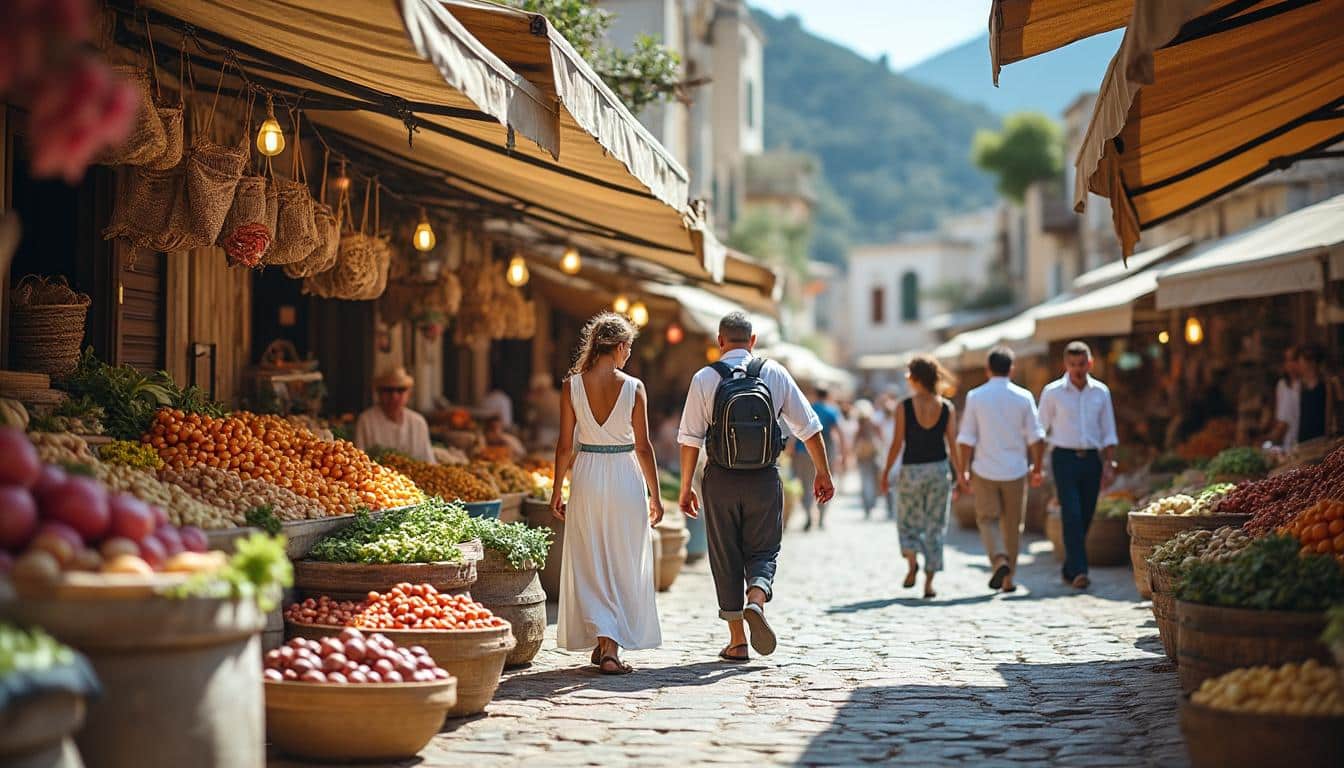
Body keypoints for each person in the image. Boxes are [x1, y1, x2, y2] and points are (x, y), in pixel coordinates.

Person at [677, 311, 834, 662]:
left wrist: (686, 487)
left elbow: (689, 439)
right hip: (764, 478)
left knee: (725, 555)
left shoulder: (705, 377)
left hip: (720, 479)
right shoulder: (773, 372)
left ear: (720, 341)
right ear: (752, 341)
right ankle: (757, 598)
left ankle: (737, 641)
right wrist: (823, 473)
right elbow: (810, 427)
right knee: (764, 549)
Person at [550, 312, 662, 674]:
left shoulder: (571, 386)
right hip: (625, 476)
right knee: (622, 558)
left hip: (587, 475)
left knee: (592, 559)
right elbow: (643, 447)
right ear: (620, 346)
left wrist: (557, 489)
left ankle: (604, 641)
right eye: (628, 348)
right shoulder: (634, 387)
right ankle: (610, 647)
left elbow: (564, 446)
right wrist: (656, 496)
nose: (628, 355)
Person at [956, 346, 1045, 594]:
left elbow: (966, 438)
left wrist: (963, 470)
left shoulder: (976, 396)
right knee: (1013, 525)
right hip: (1016, 470)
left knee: (987, 519)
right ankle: (1009, 579)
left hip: (984, 469)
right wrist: (1037, 468)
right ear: (1012, 369)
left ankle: (998, 559)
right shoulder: (1024, 397)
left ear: (987, 370)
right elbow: (1037, 437)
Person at [879, 355, 964, 599]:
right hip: (939, 471)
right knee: (935, 525)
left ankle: (912, 561)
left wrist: (886, 472)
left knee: (907, 521)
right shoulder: (946, 407)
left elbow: (897, 443)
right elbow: (953, 444)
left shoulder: (904, 406)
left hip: (912, 472)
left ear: (916, 378)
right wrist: (961, 474)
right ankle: (929, 583)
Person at [1038, 341, 1118, 590]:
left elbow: (1108, 430)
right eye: (1072, 364)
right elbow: (1040, 429)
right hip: (1063, 458)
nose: (1077, 369)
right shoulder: (1052, 392)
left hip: (1092, 459)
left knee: (1086, 514)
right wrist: (1038, 463)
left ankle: (1069, 567)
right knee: (1071, 513)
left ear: (1090, 363)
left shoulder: (1101, 392)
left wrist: (1109, 463)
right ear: (1066, 364)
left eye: (1081, 363)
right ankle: (1080, 571)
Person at [354, 366, 435, 463]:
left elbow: (428, 460)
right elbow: (358, 461)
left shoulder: (418, 422)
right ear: (378, 392)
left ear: (409, 393)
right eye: (388, 390)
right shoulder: (366, 421)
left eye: (400, 390)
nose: (394, 396)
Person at [795, 386, 846, 531]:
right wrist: (843, 453)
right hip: (825, 453)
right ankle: (821, 517)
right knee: (825, 483)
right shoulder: (832, 411)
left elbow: (794, 432)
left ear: (815, 395)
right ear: (827, 395)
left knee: (806, 484)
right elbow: (840, 433)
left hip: (803, 451)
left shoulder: (807, 408)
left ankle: (808, 515)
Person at [1294, 344, 1344, 445]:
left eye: (1301, 361)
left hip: (1320, 438)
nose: (1299, 364)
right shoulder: (1300, 385)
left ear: (1311, 362)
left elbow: (1330, 412)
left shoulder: (1327, 384)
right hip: (1303, 438)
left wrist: (1328, 436)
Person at [852, 399, 884, 519]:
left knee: (865, 482)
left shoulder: (860, 425)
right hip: (872, 456)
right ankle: (870, 504)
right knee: (872, 481)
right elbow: (881, 439)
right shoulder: (873, 424)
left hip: (864, 458)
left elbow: (855, 442)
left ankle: (868, 506)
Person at [1267, 346, 1300, 451]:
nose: (1290, 364)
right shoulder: (1282, 384)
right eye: (1287, 360)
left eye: (1293, 360)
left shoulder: (1302, 386)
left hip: (1300, 440)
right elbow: (1279, 417)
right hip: (1286, 442)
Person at [873, 393, 900, 520]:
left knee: (889, 483)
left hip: (888, 457)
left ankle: (891, 509)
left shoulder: (883, 425)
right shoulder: (895, 425)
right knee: (894, 484)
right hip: (895, 458)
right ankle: (894, 508)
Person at [525, 372, 563, 450]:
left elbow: (531, 418)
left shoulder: (538, 398)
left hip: (546, 432)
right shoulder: (558, 395)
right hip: (560, 430)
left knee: (544, 451)